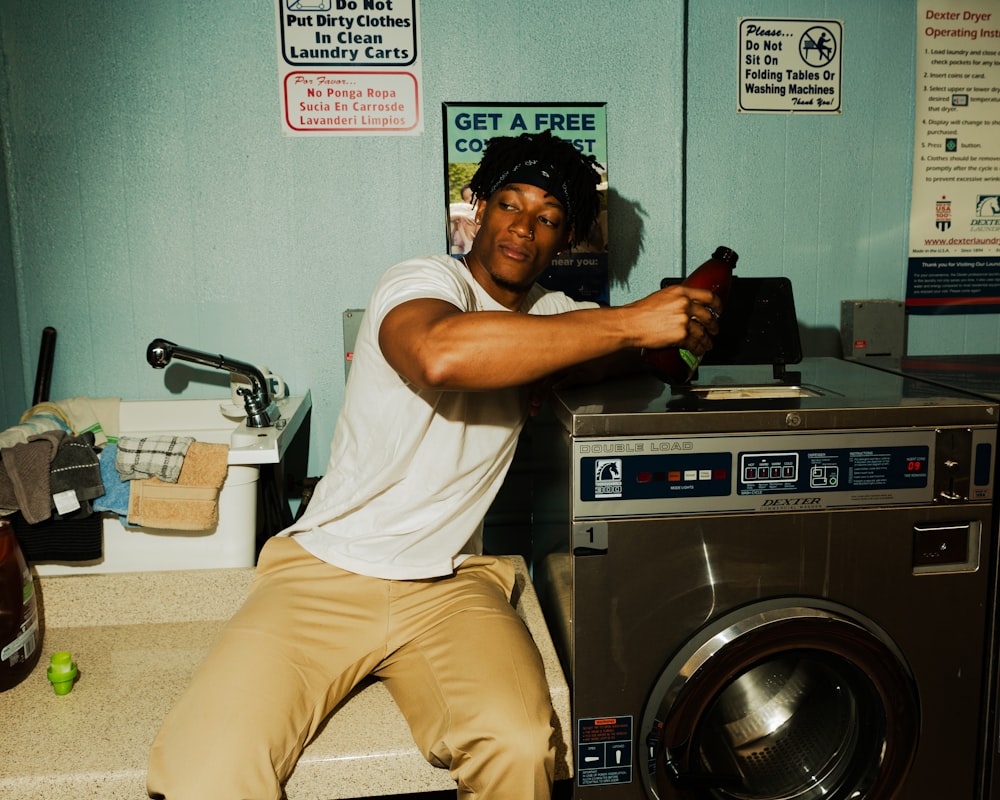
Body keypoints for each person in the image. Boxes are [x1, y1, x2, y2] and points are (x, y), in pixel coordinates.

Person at [146, 130, 720, 800]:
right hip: (326, 570)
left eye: (548, 218)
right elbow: (439, 354)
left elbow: (638, 356)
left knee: (520, 744)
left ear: (564, 242)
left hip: (451, 584)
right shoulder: (422, 280)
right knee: (205, 765)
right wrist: (630, 325)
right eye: (511, 204)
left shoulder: (555, 318)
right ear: (478, 209)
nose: (523, 228)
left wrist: (684, 332)